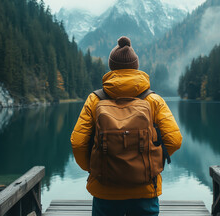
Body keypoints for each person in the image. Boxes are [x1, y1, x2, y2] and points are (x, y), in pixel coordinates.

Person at [70, 36, 182, 216]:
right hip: (145, 188)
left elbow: (78, 143)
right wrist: (150, 161)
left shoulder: (95, 100)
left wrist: (94, 168)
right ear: (135, 67)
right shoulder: (153, 100)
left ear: (112, 67)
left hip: (104, 189)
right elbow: (174, 140)